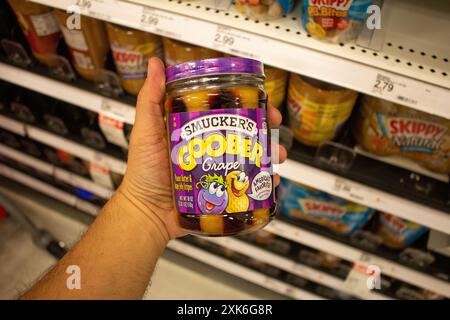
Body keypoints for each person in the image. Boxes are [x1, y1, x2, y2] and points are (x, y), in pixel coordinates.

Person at [21, 57, 287, 300]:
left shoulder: (249, 94)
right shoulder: (217, 97)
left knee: (269, 143)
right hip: (203, 205)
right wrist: (143, 204)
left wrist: (142, 209)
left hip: (242, 201)